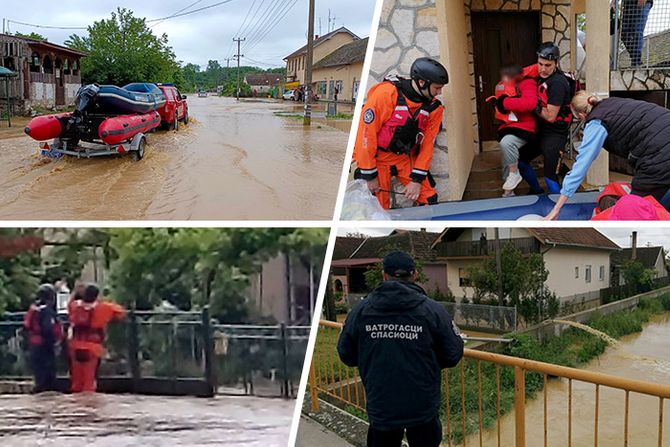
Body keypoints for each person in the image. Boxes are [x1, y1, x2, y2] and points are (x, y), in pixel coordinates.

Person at [337, 251, 464, 447]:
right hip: (422, 408)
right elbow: (453, 354)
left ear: (384, 275)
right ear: (414, 274)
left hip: (382, 407)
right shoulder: (433, 311)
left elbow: (346, 354)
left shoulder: (360, 312)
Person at [545, 92, 670, 220]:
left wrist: (556, 209)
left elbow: (580, 167)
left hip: (659, 155)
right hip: (663, 135)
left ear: (582, 115)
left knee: (633, 208)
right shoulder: (612, 103)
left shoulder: (596, 123)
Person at [353, 57, 447, 209]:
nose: (440, 92)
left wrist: (416, 181)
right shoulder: (386, 94)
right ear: (422, 83)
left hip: (405, 158)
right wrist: (369, 175)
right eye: (437, 88)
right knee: (377, 207)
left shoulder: (434, 108)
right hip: (378, 159)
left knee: (429, 198)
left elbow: (427, 145)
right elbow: (365, 135)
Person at [519, 42, 573, 194]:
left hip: (555, 135)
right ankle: (537, 192)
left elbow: (550, 116)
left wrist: (531, 103)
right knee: (521, 161)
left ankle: (560, 212)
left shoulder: (558, 84)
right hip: (542, 132)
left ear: (556, 63)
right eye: (540, 64)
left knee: (550, 178)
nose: (542, 69)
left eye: (547, 65)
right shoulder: (542, 77)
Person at [487, 64, 539, 196]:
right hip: (511, 126)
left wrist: (504, 103)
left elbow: (529, 103)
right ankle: (509, 191)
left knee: (507, 144)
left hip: (527, 128)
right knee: (508, 153)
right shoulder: (506, 84)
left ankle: (516, 180)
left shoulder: (527, 82)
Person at [67, 284, 126, 393]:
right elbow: (121, 312)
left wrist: (75, 292)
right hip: (93, 347)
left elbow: (69, 305)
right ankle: (89, 406)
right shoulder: (103, 307)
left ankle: (75, 405)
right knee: (89, 381)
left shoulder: (75, 305)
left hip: (75, 346)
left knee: (76, 381)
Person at [23, 284, 63, 393]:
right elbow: (48, 329)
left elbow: (26, 327)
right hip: (45, 345)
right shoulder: (46, 311)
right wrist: (55, 342)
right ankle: (45, 396)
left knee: (39, 374)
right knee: (48, 376)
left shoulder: (34, 308)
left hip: (34, 344)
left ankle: (40, 396)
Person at [621, 0, 653, 67]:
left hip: (642, 3)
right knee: (623, 33)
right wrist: (613, 3)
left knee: (637, 31)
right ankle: (636, 58)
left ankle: (636, 62)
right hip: (628, 4)